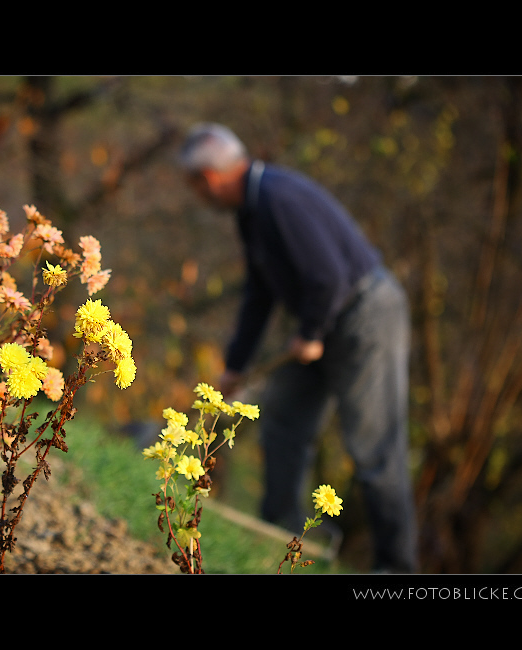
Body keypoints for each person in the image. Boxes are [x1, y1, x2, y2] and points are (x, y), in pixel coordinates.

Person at [178, 123, 418, 573]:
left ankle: (397, 569)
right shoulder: (251, 210)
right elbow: (259, 292)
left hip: (365, 315)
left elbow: (327, 276)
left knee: (374, 448)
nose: (198, 197)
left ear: (208, 179)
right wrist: (235, 365)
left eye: (194, 187)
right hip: (326, 318)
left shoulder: (278, 199)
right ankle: (281, 536)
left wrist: (310, 333)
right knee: (284, 420)